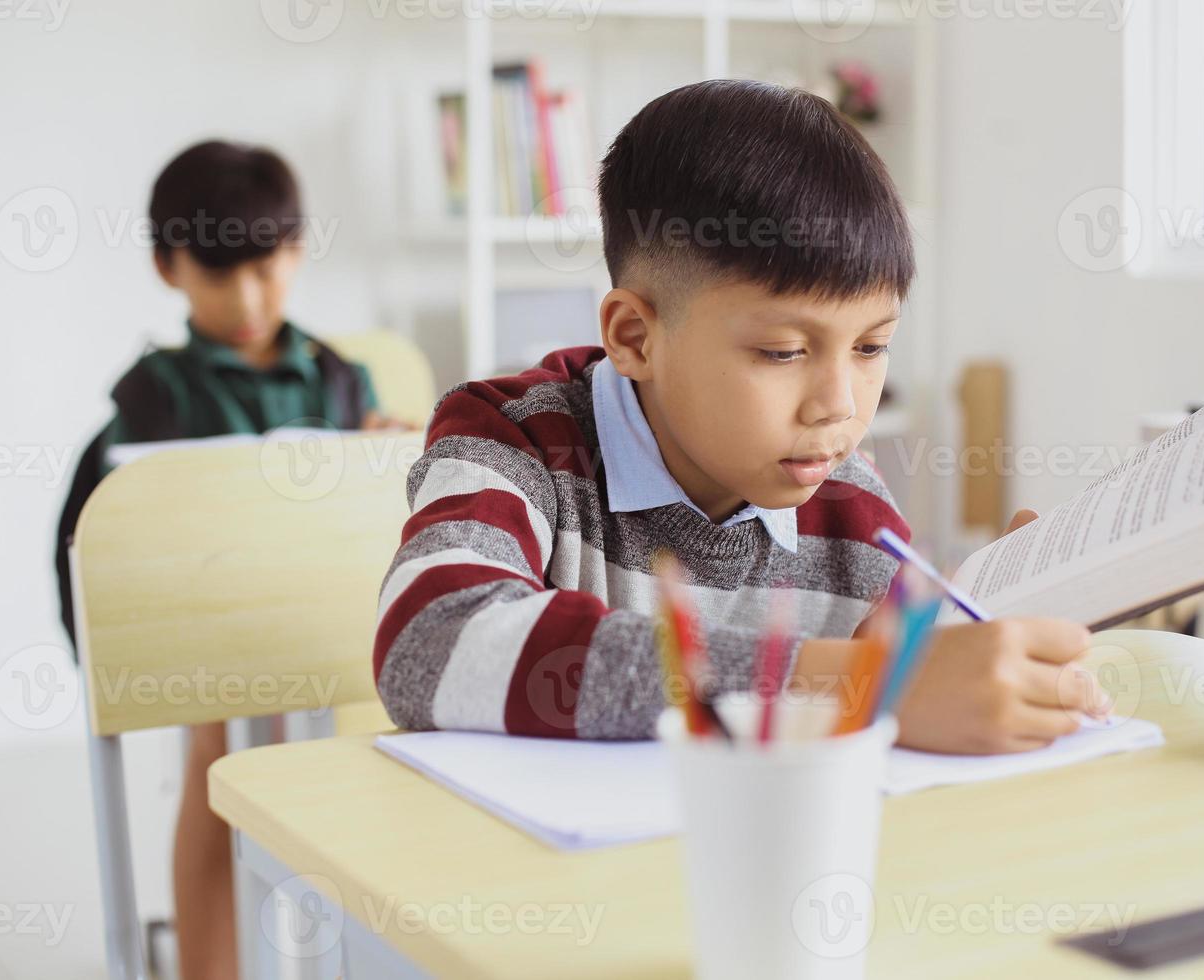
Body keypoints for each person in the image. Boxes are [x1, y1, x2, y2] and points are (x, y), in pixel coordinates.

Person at [371, 80, 1108, 754]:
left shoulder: (852, 505)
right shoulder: (512, 441)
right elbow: (430, 643)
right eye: (784, 351)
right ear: (634, 337)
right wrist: (854, 683)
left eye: (871, 346)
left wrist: (968, 646)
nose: (840, 405)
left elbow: (893, 715)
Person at [54, 140, 406, 980]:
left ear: (296, 250)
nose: (248, 298)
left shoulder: (339, 376)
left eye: (266, 266)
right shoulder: (154, 391)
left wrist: (381, 452)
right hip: (214, 635)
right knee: (219, 768)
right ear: (168, 267)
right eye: (220, 275)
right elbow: (110, 525)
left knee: (347, 779)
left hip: (332, 626)